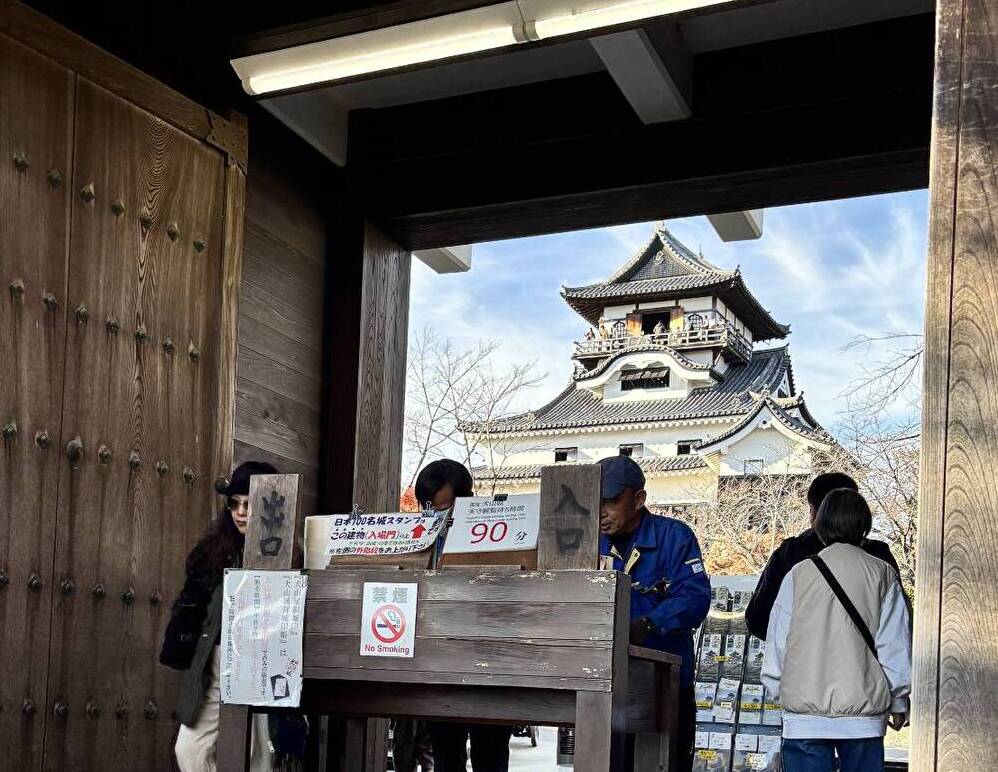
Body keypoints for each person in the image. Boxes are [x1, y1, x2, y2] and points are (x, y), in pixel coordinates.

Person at [761, 488, 911, 772]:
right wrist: (898, 699)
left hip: (804, 718)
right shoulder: (882, 574)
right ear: (864, 525)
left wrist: (778, 689)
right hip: (864, 718)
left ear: (820, 525)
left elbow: (778, 641)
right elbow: (894, 644)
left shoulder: (798, 574)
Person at [163, 461, 280, 772]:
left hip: (263, 663)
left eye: (249, 504)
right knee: (189, 751)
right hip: (216, 662)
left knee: (256, 757)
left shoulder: (284, 553)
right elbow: (192, 607)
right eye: (234, 503)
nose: (240, 512)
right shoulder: (212, 551)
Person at [597, 455, 711, 772]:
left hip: (665, 686)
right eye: (596, 501)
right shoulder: (587, 543)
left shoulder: (674, 537)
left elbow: (695, 597)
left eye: (610, 501)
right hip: (604, 687)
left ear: (638, 499)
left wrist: (648, 624)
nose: (602, 511)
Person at [416, 459, 513, 772]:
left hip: (490, 662)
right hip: (439, 663)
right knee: (445, 754)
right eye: (427, 508)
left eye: (443, 508)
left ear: (467, 501)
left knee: (490, 754)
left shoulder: (498, 535)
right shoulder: (417, 538)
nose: (435, 517)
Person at [745, 472, 900, 640]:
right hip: (866, 655)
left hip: (804, 655)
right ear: (857, 508)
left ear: (813, 510)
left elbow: (759, 620)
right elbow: (897, 629)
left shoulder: (791, 555)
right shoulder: (879, 557)